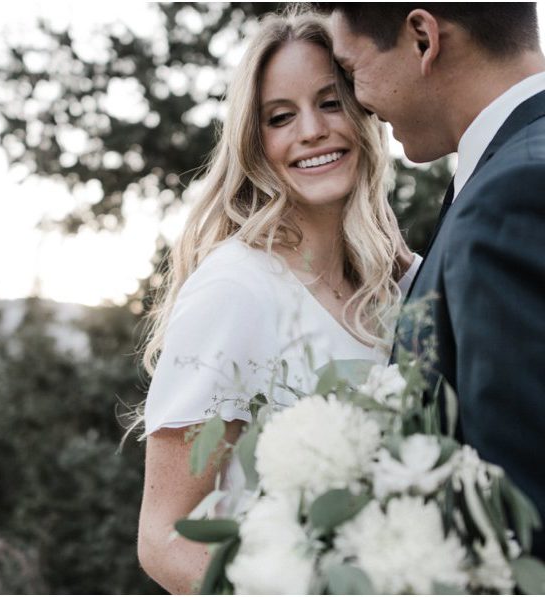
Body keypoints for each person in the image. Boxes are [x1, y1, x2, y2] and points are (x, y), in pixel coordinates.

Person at [136, 12, 421, 594]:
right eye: (281, 117)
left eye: (330, 102)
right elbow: (164, 538)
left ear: (365, 113)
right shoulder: (234, 290)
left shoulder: (396, 282)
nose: (311, 130)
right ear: (255, 141)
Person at [317, 2, 545, 557]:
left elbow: (522, 518)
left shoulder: (508, 199)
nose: (360, 106)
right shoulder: (506, 173)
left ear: (422, 38)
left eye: (352, 71)